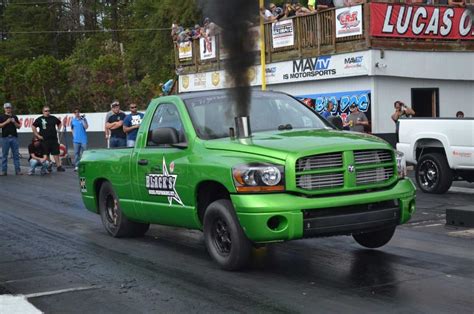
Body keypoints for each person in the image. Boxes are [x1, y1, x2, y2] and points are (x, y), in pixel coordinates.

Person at [32, 106, 66, 172]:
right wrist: (37, 135)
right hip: (44, 139)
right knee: (46, 153)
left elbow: (59, 123)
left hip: (53, 139)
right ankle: (49, 166)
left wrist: (58, 129)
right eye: (46, 111)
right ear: (43, 111)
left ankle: (59, 166)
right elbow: (33, 126)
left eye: (48, 111)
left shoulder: (53, 118)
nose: (47, 112)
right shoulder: (40, 119)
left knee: (56, 153)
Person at [0, 103, 22, 176]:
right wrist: (6, 122)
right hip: (5, 137)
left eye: (9, 107)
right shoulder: (1, 116)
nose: (8, 109)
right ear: (4, 109)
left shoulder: (14, 117)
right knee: (4, 155)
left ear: (11, 108)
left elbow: (19, 126)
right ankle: (3, 171)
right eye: (6, 108)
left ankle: (18, 171)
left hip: (14, 137)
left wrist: (14, 122)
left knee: (16, 155)